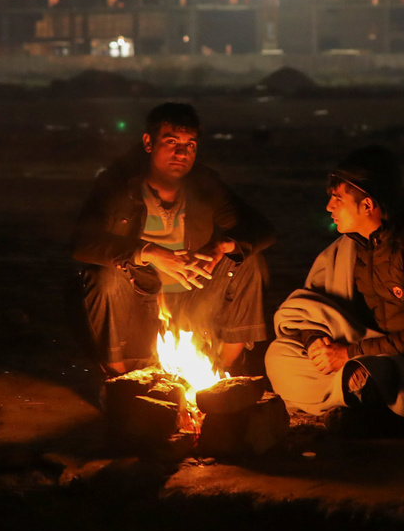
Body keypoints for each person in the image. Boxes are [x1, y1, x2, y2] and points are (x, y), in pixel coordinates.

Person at [266, 145, 404, 442]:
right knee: (279, 355)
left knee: (379, 374)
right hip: (361, 352)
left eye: (337, 199)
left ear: (368, 205)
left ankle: (365, 402)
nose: (329, 208)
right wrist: (316, 344)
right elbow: (309, 310)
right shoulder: (348, 249)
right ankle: (357, 395)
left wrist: (347, 354)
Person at [70, 102, 273, 374]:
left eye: (190, 145)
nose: (181, 152)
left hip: (194, 293)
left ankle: (225, 374)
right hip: (138, 295)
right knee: (102, 275)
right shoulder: (119, 184)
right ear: (148, 142)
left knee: (247, 261)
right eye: (171, 141)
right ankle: (119, 378)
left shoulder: (204, 185)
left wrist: (222, 245)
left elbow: (261, 228)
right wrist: (150, 253)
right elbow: (82, 242)